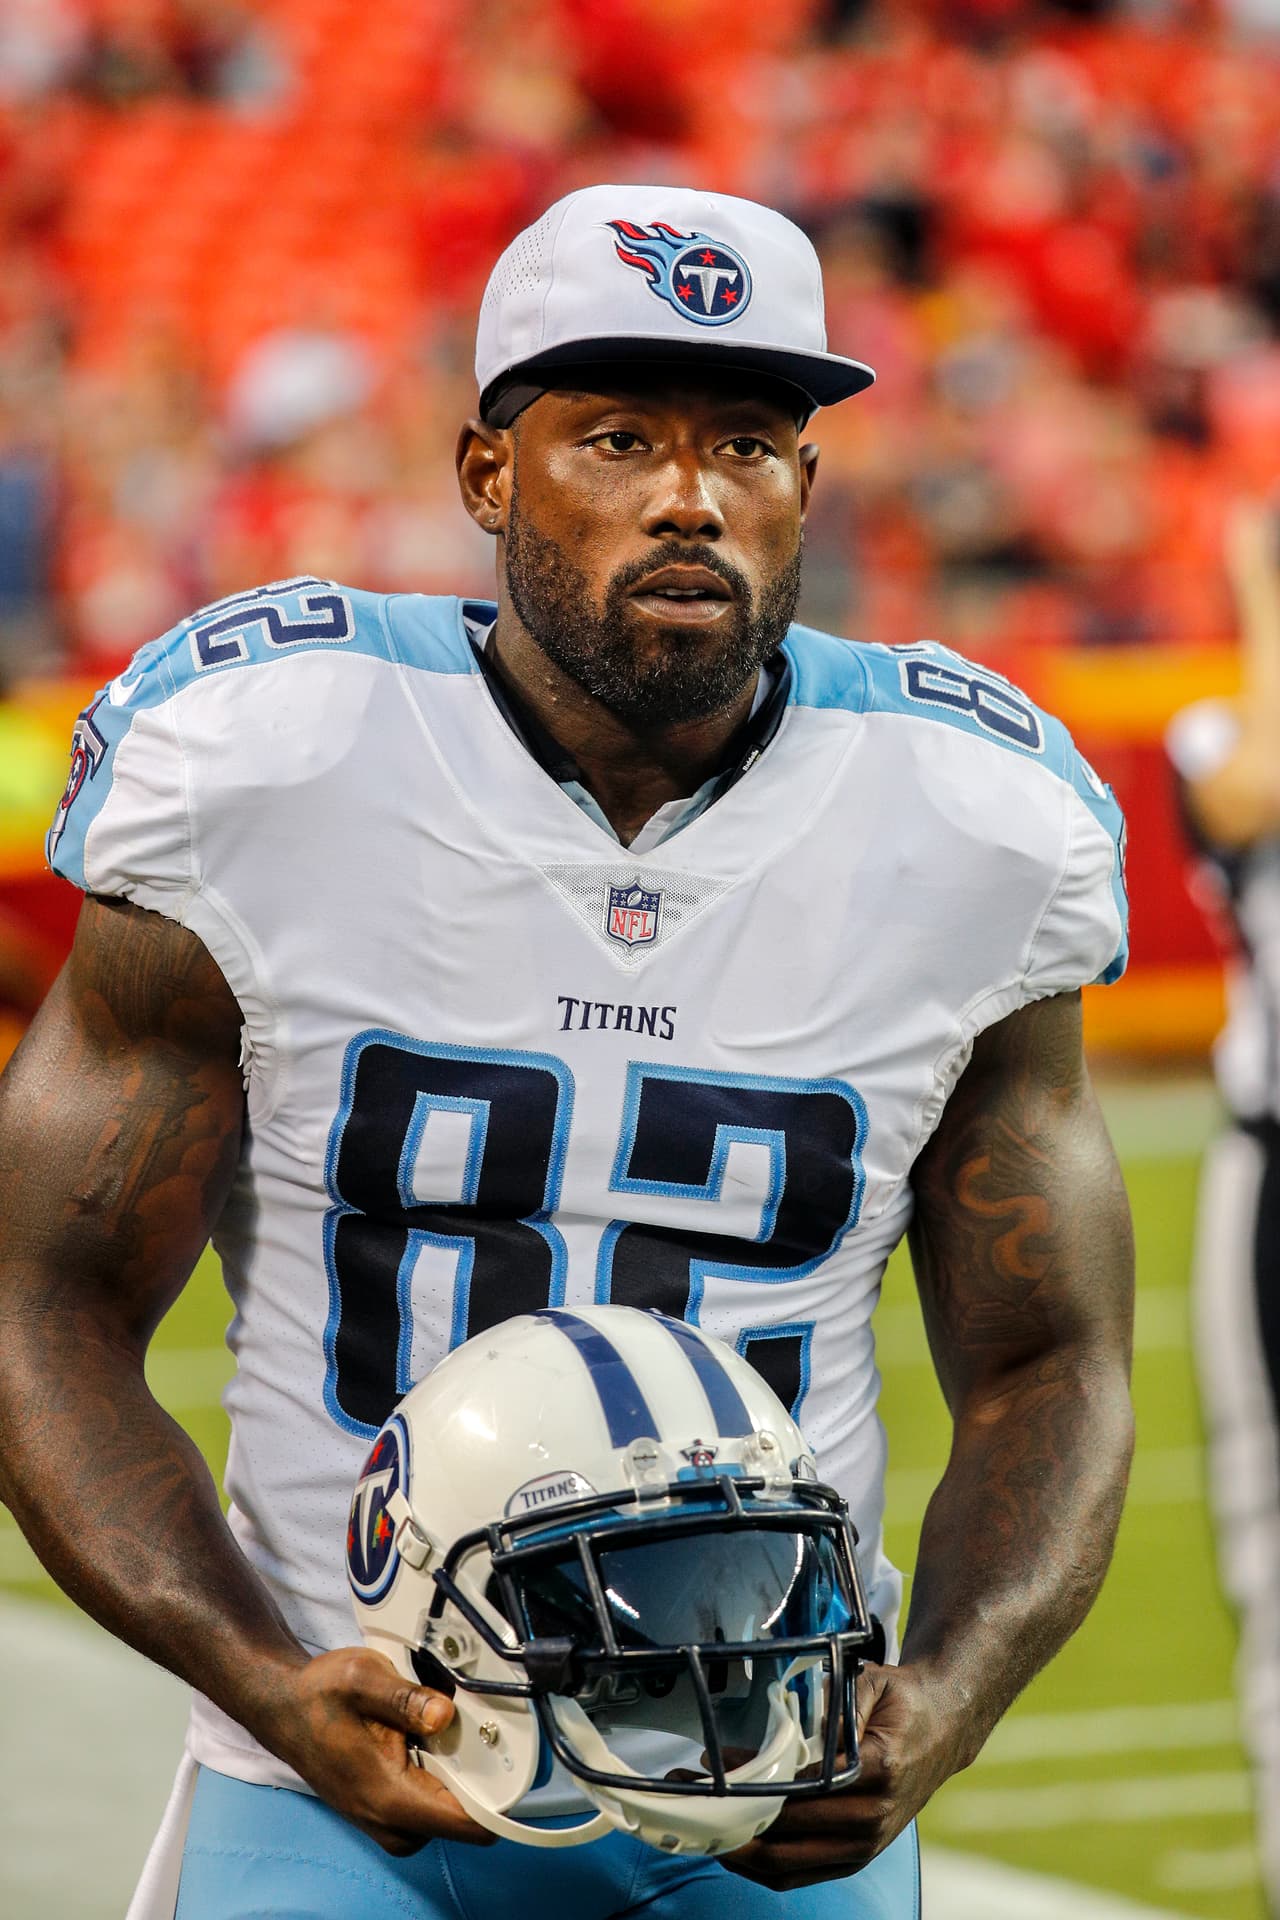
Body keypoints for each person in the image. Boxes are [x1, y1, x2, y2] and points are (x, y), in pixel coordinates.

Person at [0, 184, 1135, 1920]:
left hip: (772, 1780)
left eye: (750, 444)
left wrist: (950, 1696)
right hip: (347, 1775)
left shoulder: (972, 820)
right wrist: (262, 1681)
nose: (691, 497)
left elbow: (1054, 1356)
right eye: (616, 437)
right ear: (484, 476)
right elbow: (45, 1302)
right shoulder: (266, 759)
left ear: (809, 489)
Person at [1167, 501, 1280, 1917]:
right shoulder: (1220, 728)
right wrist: (1261, 594)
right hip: (1274, 1174)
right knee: (1275, 1557)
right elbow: (1254, 787)